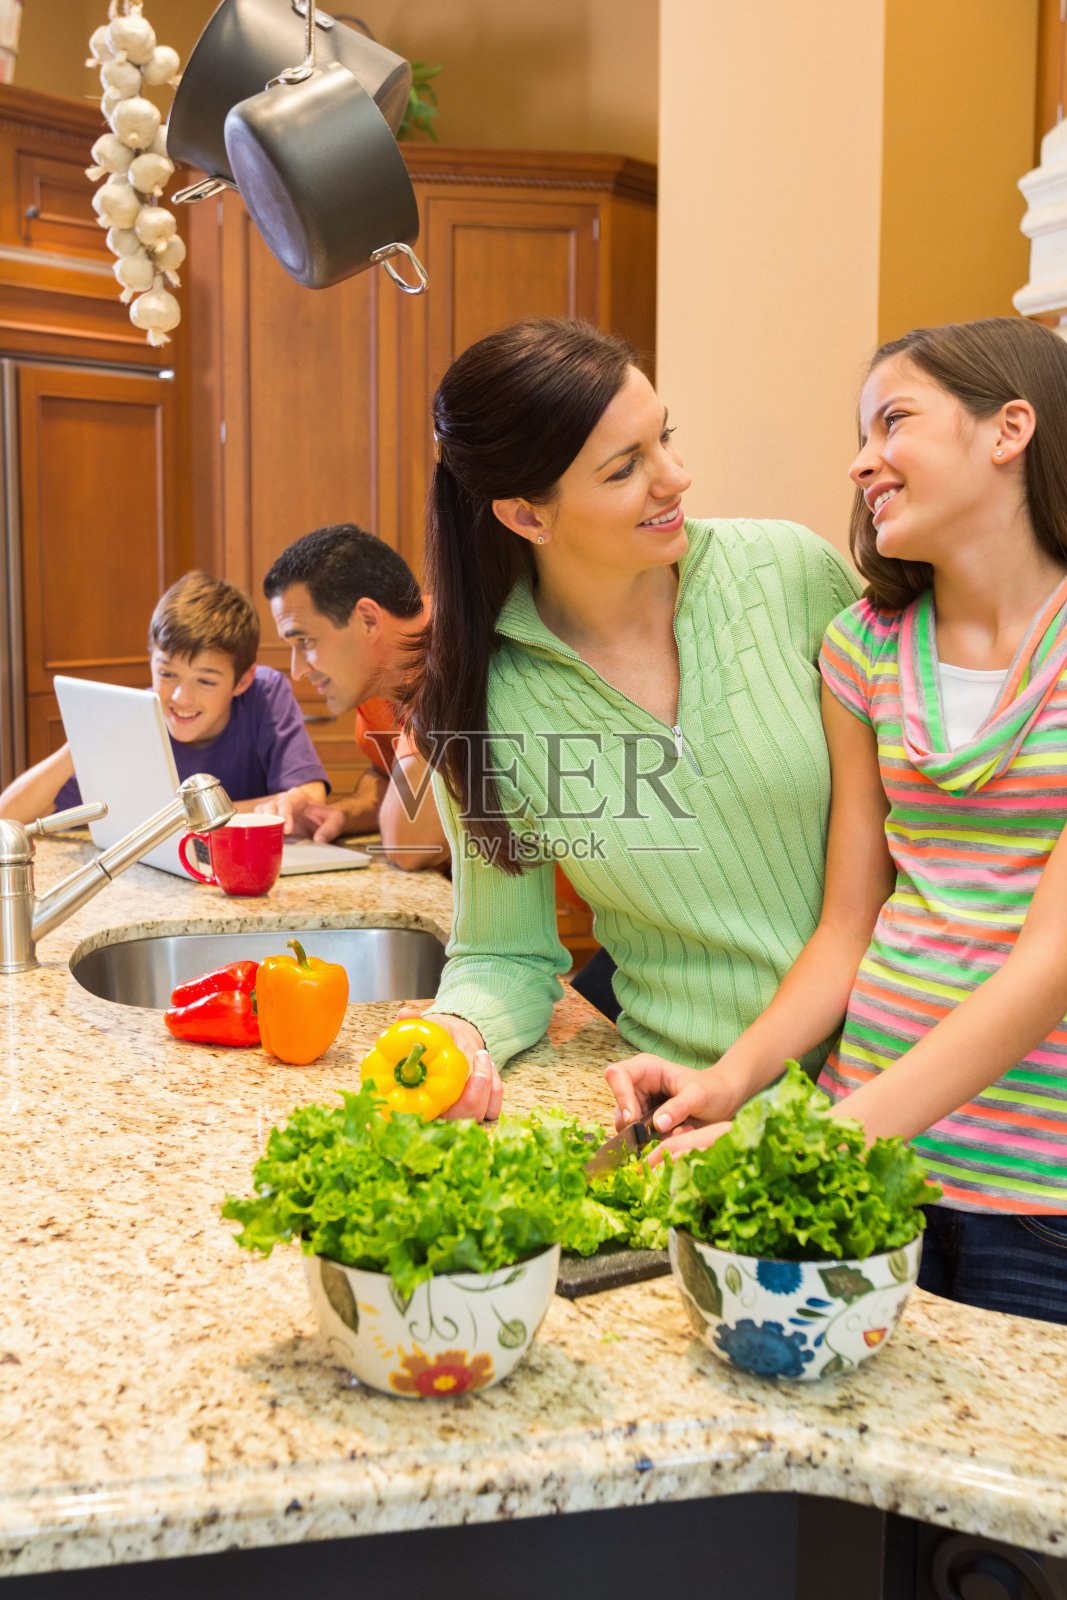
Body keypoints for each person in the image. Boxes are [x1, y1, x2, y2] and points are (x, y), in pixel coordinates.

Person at [607, 316, 1067, 1326]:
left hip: (1037, 1198)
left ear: (1009, 430)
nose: (861, 461)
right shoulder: (860, 646)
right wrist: (726, 1084)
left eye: (891, 421)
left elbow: (1046, 971)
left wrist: (807, 1142)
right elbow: (847, 923)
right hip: (874, 1163)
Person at [399, 317, 862, 1121]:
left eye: (664, 438)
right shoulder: (483, 707)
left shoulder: (790, 573)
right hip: (683, 1103)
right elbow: (504, 950)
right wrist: (458, 1034)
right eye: (624, 469)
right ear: (525, 517)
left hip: (896, 1084)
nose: (675, 477)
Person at [0, 571, 328, 822]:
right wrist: (82, 741)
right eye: (167, 674)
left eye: (206, 681)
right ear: (150, 661)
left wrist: (169, 820)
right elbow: (7, 818)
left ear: (242, 681)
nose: (181, 698)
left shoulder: (264, 694)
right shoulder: (133, 718)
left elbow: (309, 800)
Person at [260, 525, 448, 872]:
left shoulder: (456, 655)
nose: (298, 671)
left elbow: (409, 845)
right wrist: (339, 814)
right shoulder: (376, 674)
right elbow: (386, 776)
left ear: (367, 620)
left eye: (305, 642)